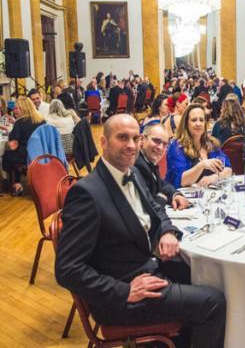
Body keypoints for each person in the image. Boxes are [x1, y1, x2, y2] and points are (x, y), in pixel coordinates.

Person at [55, 114, 226, 348]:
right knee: (214, 303)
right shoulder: (87, 193)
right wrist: (124, 291)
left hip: (147, 269)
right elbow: (67, 269)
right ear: (104, 142)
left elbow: (156, 209)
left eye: (135, 138)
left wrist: (167, 231)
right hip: (123, 296)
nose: (131, 145)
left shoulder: (131, 173)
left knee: (212, 278)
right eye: (122, 138)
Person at [166, 104, 231, 188]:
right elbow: (179, 180)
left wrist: (217, 177)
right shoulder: (177, 147)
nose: (198, 124)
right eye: (194, 120)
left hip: (210, 196)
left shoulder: (211, 143)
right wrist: (201, 165)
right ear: (186, 123)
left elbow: (228, 168)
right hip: (185, 198)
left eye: (201, 120)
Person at [135, 123, 190, 209]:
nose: (160, 147)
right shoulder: (136, 164)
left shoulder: (147, 160)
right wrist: (161, 199)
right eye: (156, 141)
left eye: (165, 144)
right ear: (142, 139)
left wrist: (175, 195)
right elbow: (145, 206)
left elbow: (160, 183)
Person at [2, 97, 46, 196]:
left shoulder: (20, 123)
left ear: (23, 108)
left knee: (7, 156)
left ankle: (17, 184)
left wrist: (11, 133)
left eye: (16, 108)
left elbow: (13, 145)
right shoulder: (41, 120)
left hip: (26, 156)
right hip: (42, 154)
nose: (14, 110)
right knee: (14, 154)